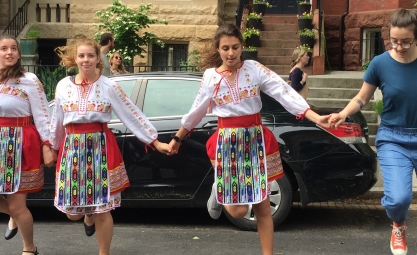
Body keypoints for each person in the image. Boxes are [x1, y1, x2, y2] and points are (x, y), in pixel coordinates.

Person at [168, 24, 331, 255]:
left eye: (235, 47)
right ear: (218, 49)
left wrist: (315, 117)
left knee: (262, 206)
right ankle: (219, 188)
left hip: (255, 140)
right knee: (238, 212)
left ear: (242, 46)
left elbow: (282, 92)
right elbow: (196, 111)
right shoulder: (210, 77)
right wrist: (177, 138)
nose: (231, 53)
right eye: (225, 48)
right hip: (227, 143)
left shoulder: (254, 69)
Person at [50, 38, 170, 255]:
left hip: (100, 148)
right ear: (75, 58)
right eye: (81, 56)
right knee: (72, 213)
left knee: (103, 209)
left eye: (90, 56)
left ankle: (103, 252)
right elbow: (57, 120)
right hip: (72, 149)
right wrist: (52, 146)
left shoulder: (109, 85)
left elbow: (131, 113)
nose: (86, 60)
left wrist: (153, 140)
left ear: (98, 58)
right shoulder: (63, 86)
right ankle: (87, 214)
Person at [329, 8, 417, 255]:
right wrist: (344, 113)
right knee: (399, 199)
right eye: (395, 41)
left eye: (406, 42)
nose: (399, 47)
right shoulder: (380, 63)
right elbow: (362, 97)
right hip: (393, 138)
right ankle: (398, 225)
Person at [0, 34, 53, 255]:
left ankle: (29, 248)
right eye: (4, 49)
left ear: (18, 53)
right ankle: (12, 216)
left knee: (18, 204)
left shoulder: (29, 79)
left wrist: (47, 143)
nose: (10, 52)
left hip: (20, 141)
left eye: (14, 48)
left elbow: (43, 114)